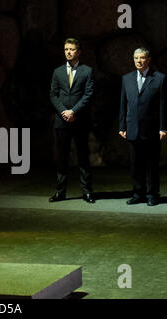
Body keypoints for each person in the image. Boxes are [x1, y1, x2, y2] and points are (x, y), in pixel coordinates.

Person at [119, 47, 167, 206]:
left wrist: (163, 127)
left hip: (151, 129)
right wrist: (122, 126)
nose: (139, 61)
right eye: (136, 58)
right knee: (135, 164)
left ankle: (152, 194)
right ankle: (137, 193)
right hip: (132, 128)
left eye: (142, 58)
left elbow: (164, 105)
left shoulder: (160, 78)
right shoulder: (126, 78)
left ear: (148, 60)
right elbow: (123, 104)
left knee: (151, 165)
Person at [49, 38, 95, 204]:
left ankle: (87, 191)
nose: (68, 52)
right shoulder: (58, 72)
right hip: (62, 121)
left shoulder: (87, 71)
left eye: (72, 49)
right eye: (66, 49)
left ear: (79, 51)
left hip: (80, 120)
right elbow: (53, 95)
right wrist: (63, 111)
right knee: (62, 157)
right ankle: (60, 192)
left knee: (83, 156)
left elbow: (88, 95)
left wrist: (73, 111)